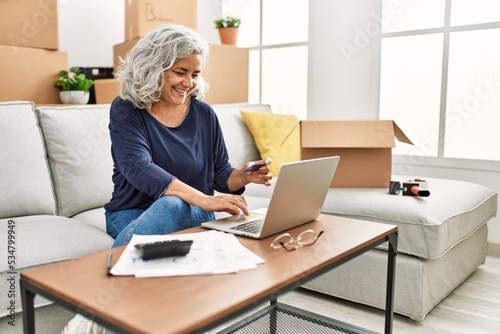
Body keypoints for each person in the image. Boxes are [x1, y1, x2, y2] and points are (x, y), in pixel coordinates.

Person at [62, 24, 272, 334]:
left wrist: (244, 176)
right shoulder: (127, 110)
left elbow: (220, 173)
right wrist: (202, 197)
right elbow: (138, 168)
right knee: (171, 207)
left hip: (194, 214)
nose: (189, 82)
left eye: (195, 74)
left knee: (176, 207)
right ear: (153, 67)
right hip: (129, 213)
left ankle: (90, 312)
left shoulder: (204, 115)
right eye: (180, 72)